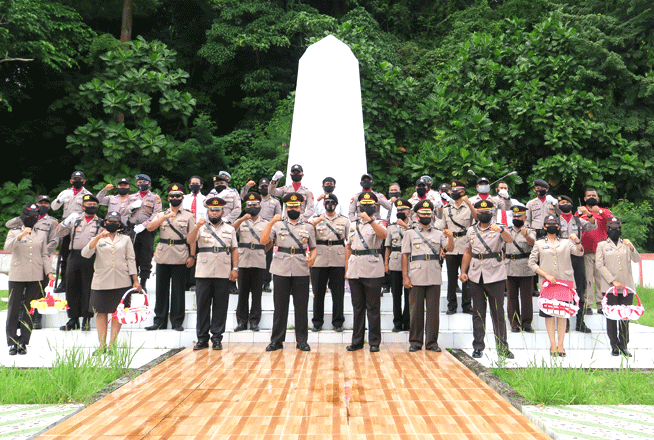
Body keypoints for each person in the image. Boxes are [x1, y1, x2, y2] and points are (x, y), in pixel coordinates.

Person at [260, 193, 317, 352]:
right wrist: (271, 222)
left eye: (296, 206)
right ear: (286, 208)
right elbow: (264, 241)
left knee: (301, 308)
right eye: (290, 206)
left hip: (301, 269)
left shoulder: (309, 226)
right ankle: (276, 341)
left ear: (301, 208)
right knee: (280, 307)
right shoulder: (277, 225)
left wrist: (312, 258)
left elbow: (313, 248)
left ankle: (302, 341)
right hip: (281, 268)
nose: (293, 209)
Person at [460, 200, 515, 359]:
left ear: (491, 212)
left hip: (495, 274)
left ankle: (503, 348)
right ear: (477, 213)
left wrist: (502, 230)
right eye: (481, 212)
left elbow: (510, 240)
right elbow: (467, 252)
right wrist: (464, 271)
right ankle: (478, 346)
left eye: (487, 211)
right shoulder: (471, 230)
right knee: (478, 312)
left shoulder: (498, 228)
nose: (484, 214)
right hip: (476, 274)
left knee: (498, 312)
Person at [82, 212, 141, 354]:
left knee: (118, 313)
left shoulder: (126, 239)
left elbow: (131, 259)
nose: (112, 223)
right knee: (101, 313)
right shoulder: (98, 238)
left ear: (119, 224)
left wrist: (135, 280)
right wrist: (97, 237)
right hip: (101, 281)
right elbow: (85, 254)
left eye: (115, 221)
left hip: (121, 280)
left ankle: (111, 345)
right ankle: (101, 345)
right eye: (109, 221)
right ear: (105, 223)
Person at [528, 214, 584, 357]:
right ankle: (552, 344)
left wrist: (578, 242)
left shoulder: (566, 242)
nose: (552, 226)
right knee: (549, 314)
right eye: (548, 224)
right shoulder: (539, 243)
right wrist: (545, 274)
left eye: (554, 224)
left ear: (558, 227)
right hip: (548, 283)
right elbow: (532, 263)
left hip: (564, 282)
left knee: (562, 313)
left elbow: (579, 252)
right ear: (544, 227)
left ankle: (561, 345)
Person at [187, 196, 239, 350]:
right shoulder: (201, 226)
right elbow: (190, 240)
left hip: (223, 271)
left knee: (220, 306)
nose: (214, 213)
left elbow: (234, 249)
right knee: (203, 306)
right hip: (204, 271)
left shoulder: (230, 229)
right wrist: (197, 226)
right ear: (207, 211)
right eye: (211, 210)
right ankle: (202, 339)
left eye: (217, 210)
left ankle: (217, 338)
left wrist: (235, 269)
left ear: (222, 211)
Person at [401, 200, 454, 352]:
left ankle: (432, 342)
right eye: (423, 214)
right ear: (417, 217)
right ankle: (416, 342)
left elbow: (449, 249)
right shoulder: (410, 233)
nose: (426, 216)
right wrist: (405, 277)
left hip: (433, 274)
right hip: (416, 274)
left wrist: (450, 238)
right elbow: (405, 256)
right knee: (415, 310)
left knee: (433, 311)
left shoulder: (439, 233)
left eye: (428, 214)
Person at [145, 184, 196, 331]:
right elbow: (150, 228)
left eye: (178, 196)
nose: (175, 198)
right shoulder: (162, 214)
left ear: (182, 198)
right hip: (163, 254)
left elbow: (193, 238)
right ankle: (159, 321)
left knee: (178, 290)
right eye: (172, 196)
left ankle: (177, 321)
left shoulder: (189, 215)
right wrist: (166, 217)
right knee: (161, 289)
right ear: (168, 198)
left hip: (180, 254)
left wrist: (192, 255)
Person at [4, 205, 55, 355]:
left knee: (29, 309)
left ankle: (24, 342)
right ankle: (12, 342)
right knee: (13, 308)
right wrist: (20, 236)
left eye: (35, 217)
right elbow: (7, 247)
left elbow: (44, 254)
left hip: (35, 274)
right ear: (23, 216)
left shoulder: (41, 234)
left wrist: (49, 272)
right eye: (29, 216)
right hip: (18, 274)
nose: (32, 219)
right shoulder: (14, 231)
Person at [345, 192, 387, 352]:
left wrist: (371, 220)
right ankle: (357, 341)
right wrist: (347, 269)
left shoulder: (379, 223)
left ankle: (374, 342)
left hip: (372, 269)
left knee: (373, 307)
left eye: (369, 205)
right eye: (363, 205)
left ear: (375, 207)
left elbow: (383, 235)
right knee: (357, 307)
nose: (365, 208)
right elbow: (349, 247)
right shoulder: (353, 225)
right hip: (355, 268)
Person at [54, 194, 103, 331]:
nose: (91, 207)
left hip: (91, 257)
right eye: (89, 205)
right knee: (72, 286)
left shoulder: (100, 222)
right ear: (83, 206)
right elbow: (58, 233)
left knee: (88, 287)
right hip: (74, 256)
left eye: (94, 205)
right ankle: (73, 318)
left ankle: (86, 319)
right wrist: (65, 221)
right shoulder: (75, 221)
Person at [595, 217, 640, 357]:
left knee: (625, 318)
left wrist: (631, 247)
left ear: (620, 229)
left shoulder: (626, 244)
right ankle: (614, 345)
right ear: (608, 229)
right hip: (609, 287)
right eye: (612, 228)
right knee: (612, 317)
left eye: (617, 228)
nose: (615, 231)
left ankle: (624, 345)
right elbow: (599, 265)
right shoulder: (602, 245)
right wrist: (612, 281)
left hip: (627, 286)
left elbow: (637, 259)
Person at [308, 193, 349, 332]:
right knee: (318, 292)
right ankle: (317, 322)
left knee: (338, 293)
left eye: (332, 202)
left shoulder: (344, 221)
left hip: (338, 259)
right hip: (319, 258)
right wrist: (315, 223)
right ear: (324, 204)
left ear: (336, 205)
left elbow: (348, 241)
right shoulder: (316, 219)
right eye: (327, 202)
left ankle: (338, 322)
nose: (329, 204)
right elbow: (307, 235)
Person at [557, 195, 597, 333]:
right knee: (563, 288)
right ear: (558, 206)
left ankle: (580, 322)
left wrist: (588, 214)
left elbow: (593, 224)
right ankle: (565, 322)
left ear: (572, 205)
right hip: (561, 258)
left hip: (577, 257)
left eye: (567, 202)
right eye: (562, 202)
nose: (565, 204)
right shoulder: (555, 221)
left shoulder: (578, 221)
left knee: (580, 288)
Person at [231, 193, 269, 332]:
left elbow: (270, 242)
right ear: (245, 206)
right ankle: (241, 321)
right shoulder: (241, 221)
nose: (252, 207)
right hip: (243, 260)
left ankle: (254, 321)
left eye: (255, 205)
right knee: (243, 293)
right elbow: (230, 232)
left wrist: (262, 250)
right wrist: (241, 219)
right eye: (249, 205)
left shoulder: (265, 223)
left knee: (257, 293)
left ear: (260, 206)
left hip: (259, 259)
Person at [51, 171, 91, 293]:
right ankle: (64, 282)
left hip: (79, 226)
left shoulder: (87, 194)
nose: (77, 181)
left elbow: (90, 209)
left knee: (77, 254)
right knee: (64, 255)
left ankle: (76, 282)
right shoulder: (65, 192)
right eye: (75, 179)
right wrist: (60, 199)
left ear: (84, 181)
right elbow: (54, 207)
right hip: (66, 225)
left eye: (79, 179)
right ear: (71, 180)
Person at [442, 180, 477, 315]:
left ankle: (467, 304)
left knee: (466, 276)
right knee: (451, 277)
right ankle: (452, 304)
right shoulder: (446, 209)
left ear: (462, 192)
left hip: (465, 245)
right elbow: (443, 228)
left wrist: (469, 203)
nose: (453, 193)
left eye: (456, 190)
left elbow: (477, 219)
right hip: (451, 246)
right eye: (453, 190)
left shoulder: (469, 207)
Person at [121, 174, 162, 287]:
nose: (141, 184)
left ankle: (143, 283)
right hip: (132, 229)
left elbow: (157, 213)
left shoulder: (155, 197)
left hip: (146, 230)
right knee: (131, 255)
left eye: (143, 182)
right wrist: (132, 207)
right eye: (139, 182)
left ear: (149, 184)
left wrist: (144, 225)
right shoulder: (131, 197)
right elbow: (122, 210)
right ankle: (132, 282)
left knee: (146, 255)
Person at [578, 188, 614, 314]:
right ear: (584, 198)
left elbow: (612, 221)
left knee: (600, 279)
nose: (591, 197)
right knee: (587, 279)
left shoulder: (604, 211)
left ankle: (601, 305)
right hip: (586, 251)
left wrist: (598, 211)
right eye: (588, 195)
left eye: (594, 195)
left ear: (598, 198)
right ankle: (588, 305)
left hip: (601, 251)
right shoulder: (580, 211)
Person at [505, 204, 536, 333]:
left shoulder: (530, 231)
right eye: (515, 215)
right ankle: (514, 323)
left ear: (525, 217)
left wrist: (526, 236)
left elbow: (533, 243)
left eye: (519, 216)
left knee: (526, 297)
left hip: (525, 266)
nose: (517, 217)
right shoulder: (507, 231)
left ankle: (527, 323)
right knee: (511, 297)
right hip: (510, 266)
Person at [385, 198, 413, 332]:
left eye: (403, 210)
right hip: (395, 261)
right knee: (396, 295)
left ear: (409, 212)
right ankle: (397, 322)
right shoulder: (391, 227)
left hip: (410, 263)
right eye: (399, 210)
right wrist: (386, 263)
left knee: (409, 295)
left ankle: (407, 321)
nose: (400, 212)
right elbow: (387, 247)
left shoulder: (415, 226)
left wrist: (406, 226)